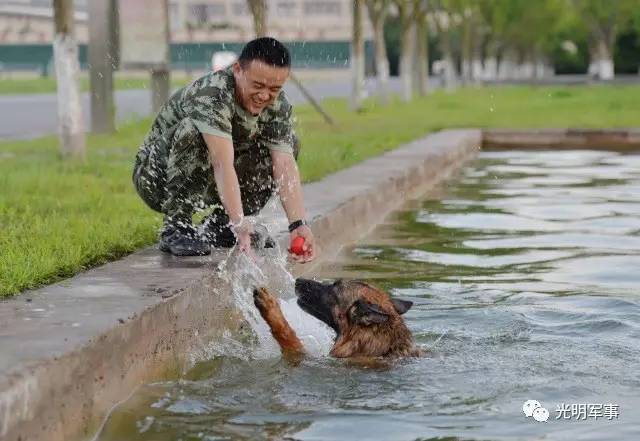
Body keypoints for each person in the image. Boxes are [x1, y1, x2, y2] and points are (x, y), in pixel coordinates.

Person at [132, 37, 315, 262]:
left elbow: (284, 164)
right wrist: (239, 221)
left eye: (274, 89)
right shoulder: (213, 94)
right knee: (194, 130)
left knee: (289, 143)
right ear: (238, 69)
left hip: (209, 175)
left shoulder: (277, 105)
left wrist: (298, 225)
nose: (264, 95)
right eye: (257, 86)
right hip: (155, 177)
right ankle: (176, 225)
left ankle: (222, 226)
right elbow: (221, 161)